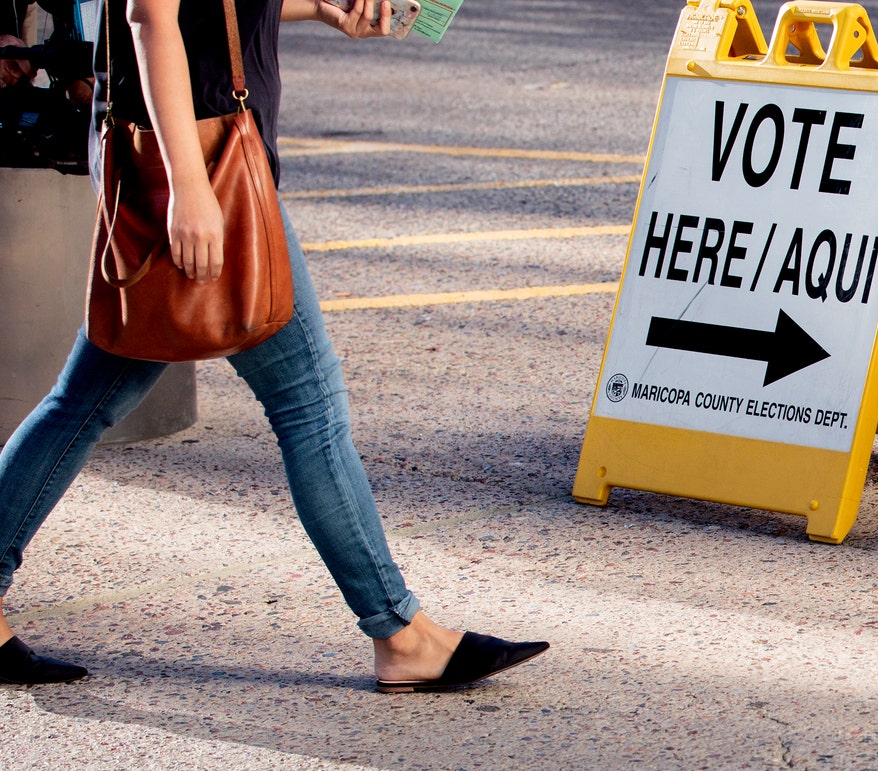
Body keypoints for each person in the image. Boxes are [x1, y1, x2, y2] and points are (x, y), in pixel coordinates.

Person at [0, 0, 548, 692]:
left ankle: (402, 633)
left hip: (193, 155)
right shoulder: (196, 176)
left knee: (82, 402)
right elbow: (150, 13)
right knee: (308, 406)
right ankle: (400, 633)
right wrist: (191, 193)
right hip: (206, 166)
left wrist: (316, 7)